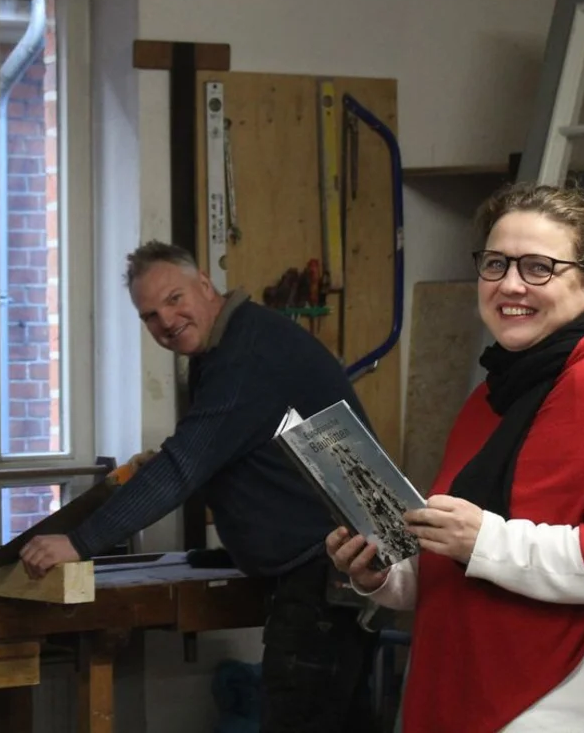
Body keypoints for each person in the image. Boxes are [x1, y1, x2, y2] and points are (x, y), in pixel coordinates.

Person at [327, 182, 584, 732]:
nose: (510, 284)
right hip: (473, 682)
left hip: (564, 697)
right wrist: (384, 571)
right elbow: (461, 564)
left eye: (538, 268)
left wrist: (484, 538)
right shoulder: (493, 396)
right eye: (496, 263)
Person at [21, 240, 379, 733]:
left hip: (327, 572)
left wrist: (79, 542)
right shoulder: (224, 347)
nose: (166, 322)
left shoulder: (246, 355)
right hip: (327, 566)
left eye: (174, 299)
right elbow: (227, 451)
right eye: (150, 315)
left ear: (206, 285)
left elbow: (184, 466)